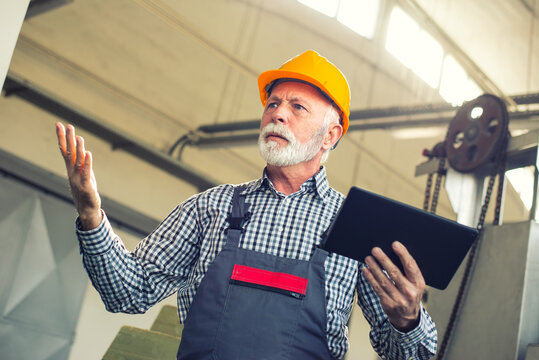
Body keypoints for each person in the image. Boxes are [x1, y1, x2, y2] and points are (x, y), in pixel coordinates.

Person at [56, 50, 437, 359]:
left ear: (330, 135)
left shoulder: (356, 226)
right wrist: (91, 216)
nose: (277, 113)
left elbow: (411, 355)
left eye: (297, 107)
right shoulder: (211, 208)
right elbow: (128, 291)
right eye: (273, 103)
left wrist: (408, 319)